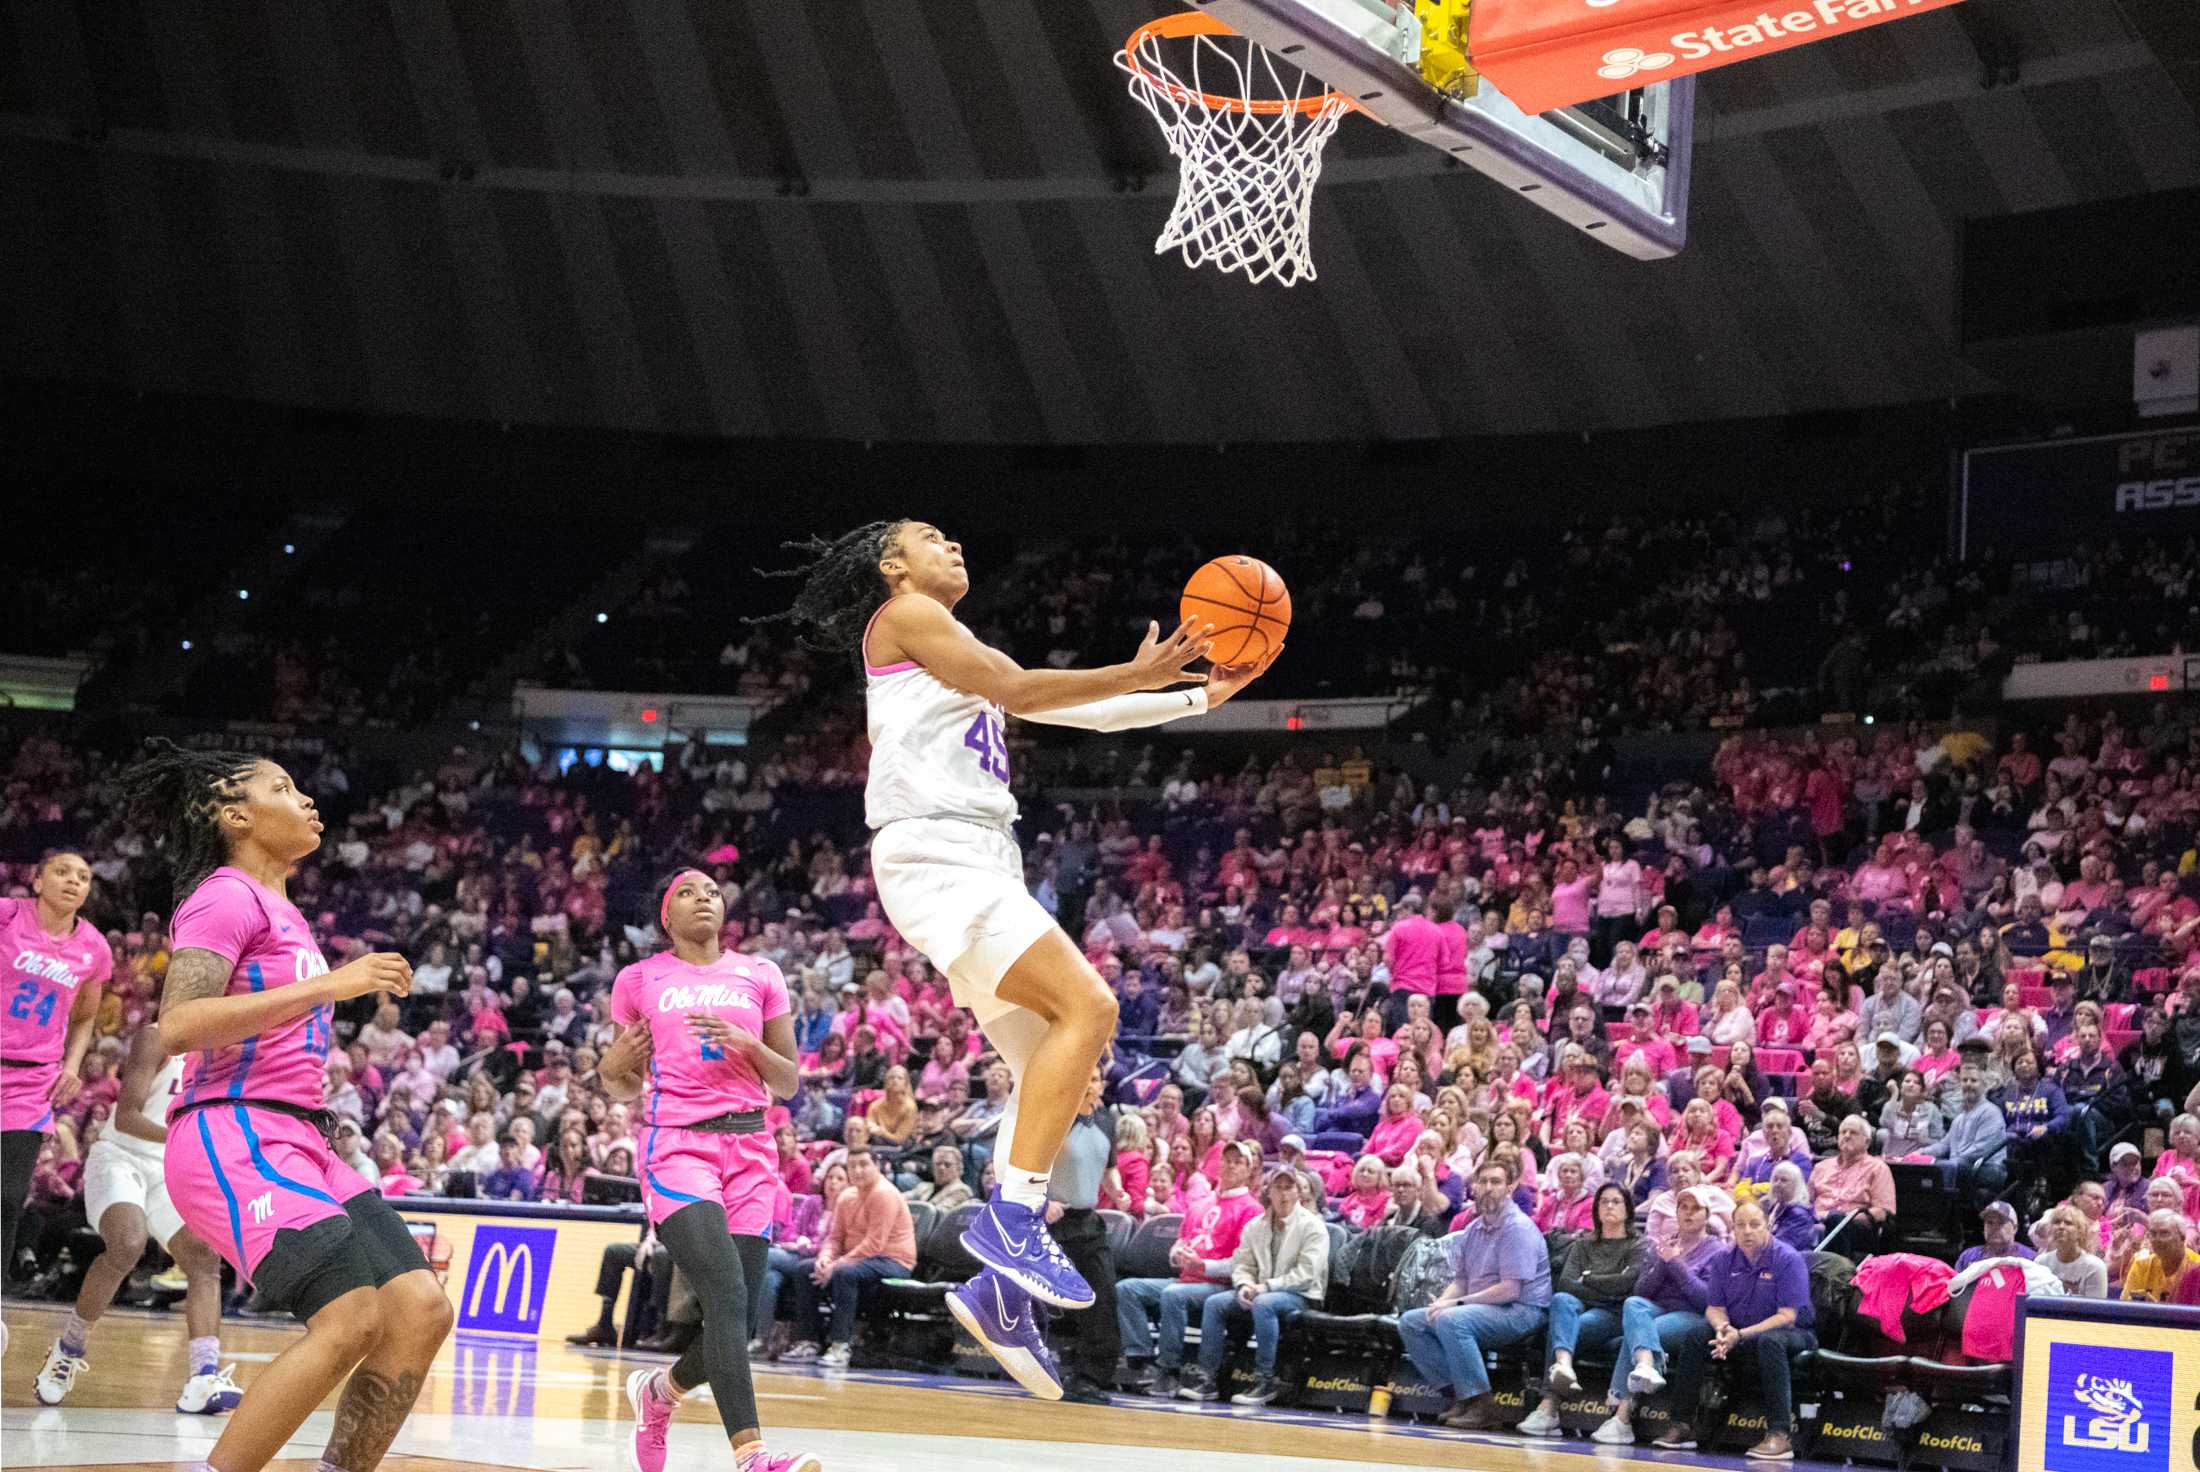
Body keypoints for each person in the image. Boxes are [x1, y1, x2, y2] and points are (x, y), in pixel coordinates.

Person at [777, 519, 1276, 1397]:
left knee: (1050, 1056)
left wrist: (1195, 698)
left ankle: (1001, 1289)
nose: (955, 545)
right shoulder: (904, 615)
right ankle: (1008, 1227)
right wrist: (1143, 670)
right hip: (939, 852)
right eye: (931, 537)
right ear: (894, 564)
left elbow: (1070, 707)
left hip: (973, 857)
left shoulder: (950, 643)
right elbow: (1020, 685)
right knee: (1091, 1010)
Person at [120, 740, 451, 1472]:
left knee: (421, 1309)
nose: (306, 800)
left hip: (300, 1135)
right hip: (229, 1133)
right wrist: (331, 985)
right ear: (237, 815)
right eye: (284, 787)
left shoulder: (282, 908)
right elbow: (178, 1025)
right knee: (351, 1316)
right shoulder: (223, 895)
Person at [595, 868, 822, 1472]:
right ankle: (752, 1457)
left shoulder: (760, 975)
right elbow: (621, 1083)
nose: (705, 899)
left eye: (715, 892)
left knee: (740, 1317)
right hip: (678, 1147)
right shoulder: (639, 980)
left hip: (751, 1148)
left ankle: (659, 1393)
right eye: (689, 893)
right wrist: (610, 1064)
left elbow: (789, 1080)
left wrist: (748, 1047)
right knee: (723, 1293)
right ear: (667, 916)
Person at [32, 1015, 239, 1413]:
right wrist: (191, 1136)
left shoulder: (227, 1046)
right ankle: (67, 1350)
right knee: (127, 1244)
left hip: (170, 1164)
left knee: (203, 1257)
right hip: (121, 1154)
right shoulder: (157, 1037)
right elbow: (128, 1116)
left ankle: (203, 1376)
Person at [2, 852, 112, 1287]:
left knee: (8, 1198)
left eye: (83, 877)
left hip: (31, 1082)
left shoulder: (94, 948)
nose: (73, 881)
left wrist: (71, 1065)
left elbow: (85, 1016)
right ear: (36, 880)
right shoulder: (8, 915)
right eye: (62, 872)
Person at [1654, 1201, 1817, 1462]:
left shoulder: (1787, 1258)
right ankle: (1682, 1425)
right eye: (1740, 1225)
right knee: (1697, 1336)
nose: (1747, 1231)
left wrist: (1740, 1335)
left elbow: (1787, 1317)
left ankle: (1780, 1435)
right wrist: (1722, 1328)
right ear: (1733, 1229)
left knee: (1770, 1342)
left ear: (1767, 1226)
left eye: (1754, 1225)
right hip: (1738, 1330)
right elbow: (1713, 1307)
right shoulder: (1724, 1259)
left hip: (1792, 1332)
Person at [1395, 1160, 1553, 1430]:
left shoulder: (1518, 1228)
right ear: (1475, 1188)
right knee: (1412, 1322)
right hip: (1484, 1307)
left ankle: (1483, 1405)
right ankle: (1459, 1397)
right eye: (1484, 1182)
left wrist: (1454, 1305)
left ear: (1510, 1187)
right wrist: (1441, 1303)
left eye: (1496, 1182)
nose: (1488, 1188)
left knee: (1452, 1320)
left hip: (1522, 1310)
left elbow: (1510, 1290)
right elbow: (1462, 1280)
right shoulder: (1473, 1229)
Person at [1118, 1140, 1262, 1395]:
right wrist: (1178, 1256)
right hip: (1187, 1279)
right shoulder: (1200, 1204)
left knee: (1173, 1295)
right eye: (1227, 1160)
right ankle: (1141, 1360)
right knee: (1127, 1289)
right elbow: (1180, 1243)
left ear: (1249, 1171)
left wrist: (1203, 1265)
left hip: (1219, 1285)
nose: (1230, 1166)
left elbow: (1242, 1265)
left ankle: (1169, 1370)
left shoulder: (1252, 1210)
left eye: (1238, 1162)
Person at [1181, 1166, 1328, 1406]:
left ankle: (1265, 1379)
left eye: (1288, 1187)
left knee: (1263, 1304)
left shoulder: (1313, 1226)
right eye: (1277, 1187)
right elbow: (1242, 1264)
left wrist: (1265, 1287)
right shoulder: (1254, 1226)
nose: (1283, 1193)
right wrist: (1245, 1284)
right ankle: (1208, 1378)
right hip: (1260, 1290)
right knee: (1215, 1303)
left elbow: (1307, 1275)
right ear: (1268, 1192)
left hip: (1301, 1294)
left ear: (1297, 1193)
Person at [1518, 1183, 1644, 1438]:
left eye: (1616, 1201)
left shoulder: (1637, 1245)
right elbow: (1566, 1282)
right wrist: (1604, 1287)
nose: (1609, 1206)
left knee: (1569, 1328)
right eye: (1604, 1201)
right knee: (1562, 1300)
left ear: (1628, 1209)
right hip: (1582, 1307)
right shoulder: (1583, 1245)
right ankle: (1562, 1367)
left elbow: (1627, 1285)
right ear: (1596, 1209)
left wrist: (1588, 1279)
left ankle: (1549, 1407)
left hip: (1614, 1315)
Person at [1044, 1072, 1122, 1405]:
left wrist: (1116, 1190)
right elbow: (1031, 1164)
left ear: (1102, 1085)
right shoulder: (1056, 1117)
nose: (1089, 1083)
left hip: (1088, 1223)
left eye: (1095, 1078)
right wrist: (1042, 1200)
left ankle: (1092, 1375)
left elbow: (1108, 1166)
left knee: (1102, 1296)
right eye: (1084, 1077)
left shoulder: (1105, 1120)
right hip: (1051, 1223)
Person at [1808, 1114, 1895, 1254]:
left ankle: (1835, 1272)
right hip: (1817, 1220)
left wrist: (1852, 1217)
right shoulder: (1821, 1167)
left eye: (1853, 1133)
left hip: (1853, 1226)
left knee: (1836, 1219)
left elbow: (1884, 1210)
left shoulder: (1878, 1168)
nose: (1846, 1136)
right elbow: (1806, 1202)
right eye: (1843, 1132)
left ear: (1867, 1142)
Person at [2119, 1210, 2198, 1302]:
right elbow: (2126, 1304)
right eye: (2153, 1234)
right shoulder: (2142, 1265)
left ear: (2182, 1237)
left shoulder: (2196, 1268)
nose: (2157, 1239)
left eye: (2164, 1233)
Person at [2040, 1204, 2108, 1298]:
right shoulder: (2041, 1263)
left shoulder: (2095, 1267)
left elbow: (2095, 1310)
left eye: (2068, 1223)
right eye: (2057, 1222)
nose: (2061, 1227)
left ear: (2080, 1231)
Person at [1953, 1200, 2035, 1271]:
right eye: (1990, 1223)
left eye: (2001, 1222)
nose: (1994, 1227)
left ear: (2015, 1228)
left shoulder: (2029, 1258)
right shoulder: (1968, 1257)